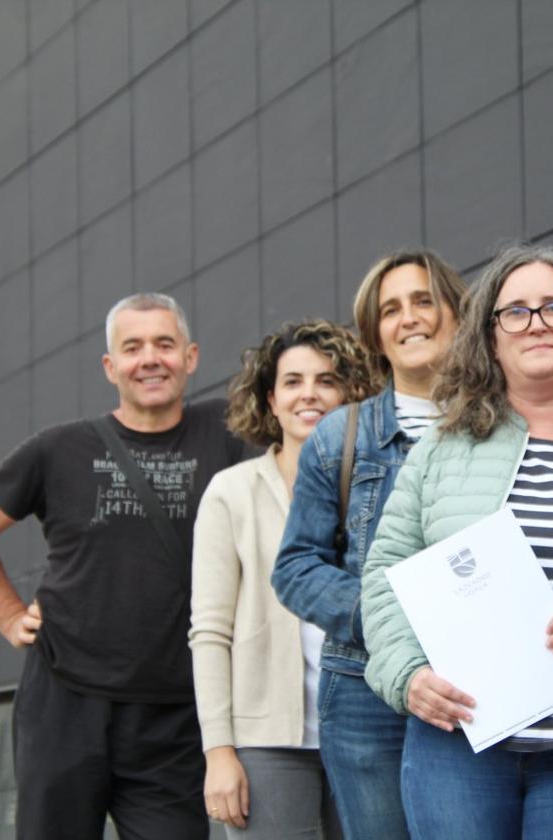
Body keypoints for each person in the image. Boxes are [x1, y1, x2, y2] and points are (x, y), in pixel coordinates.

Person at [361, 244, 553, 839]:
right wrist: (407, 674)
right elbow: (385, 569)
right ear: (491, 337)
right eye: (514, 311)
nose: (536, 322)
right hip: (456, 740)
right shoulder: (442, 448)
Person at [0, 293, 247, 840]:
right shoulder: (57, 450)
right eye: (132, 347)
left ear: (191, 357)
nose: (150, 358)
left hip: (175, 711)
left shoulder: (227, 437)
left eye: (164, 344)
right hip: (65, 699)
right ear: (111, 367)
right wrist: (9, 615)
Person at [272, 249, 466, 839]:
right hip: (363, 691)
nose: (409, 318)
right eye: (390, 309)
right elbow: (296, 568)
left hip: (474, 680)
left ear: (457, 315)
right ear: (375, 335)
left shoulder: (501, 424)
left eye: (424, 300)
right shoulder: (341, 436)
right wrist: (386, 621)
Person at [190, 320, 374, 837]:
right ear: (271, 400)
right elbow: (209, 632)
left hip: (367, 726)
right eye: (293, 381)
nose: (309, 394)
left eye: (326, 380)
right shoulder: (232, 493)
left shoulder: (377, 484)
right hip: (266, 742)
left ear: (350, 395)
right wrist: (219, 751)